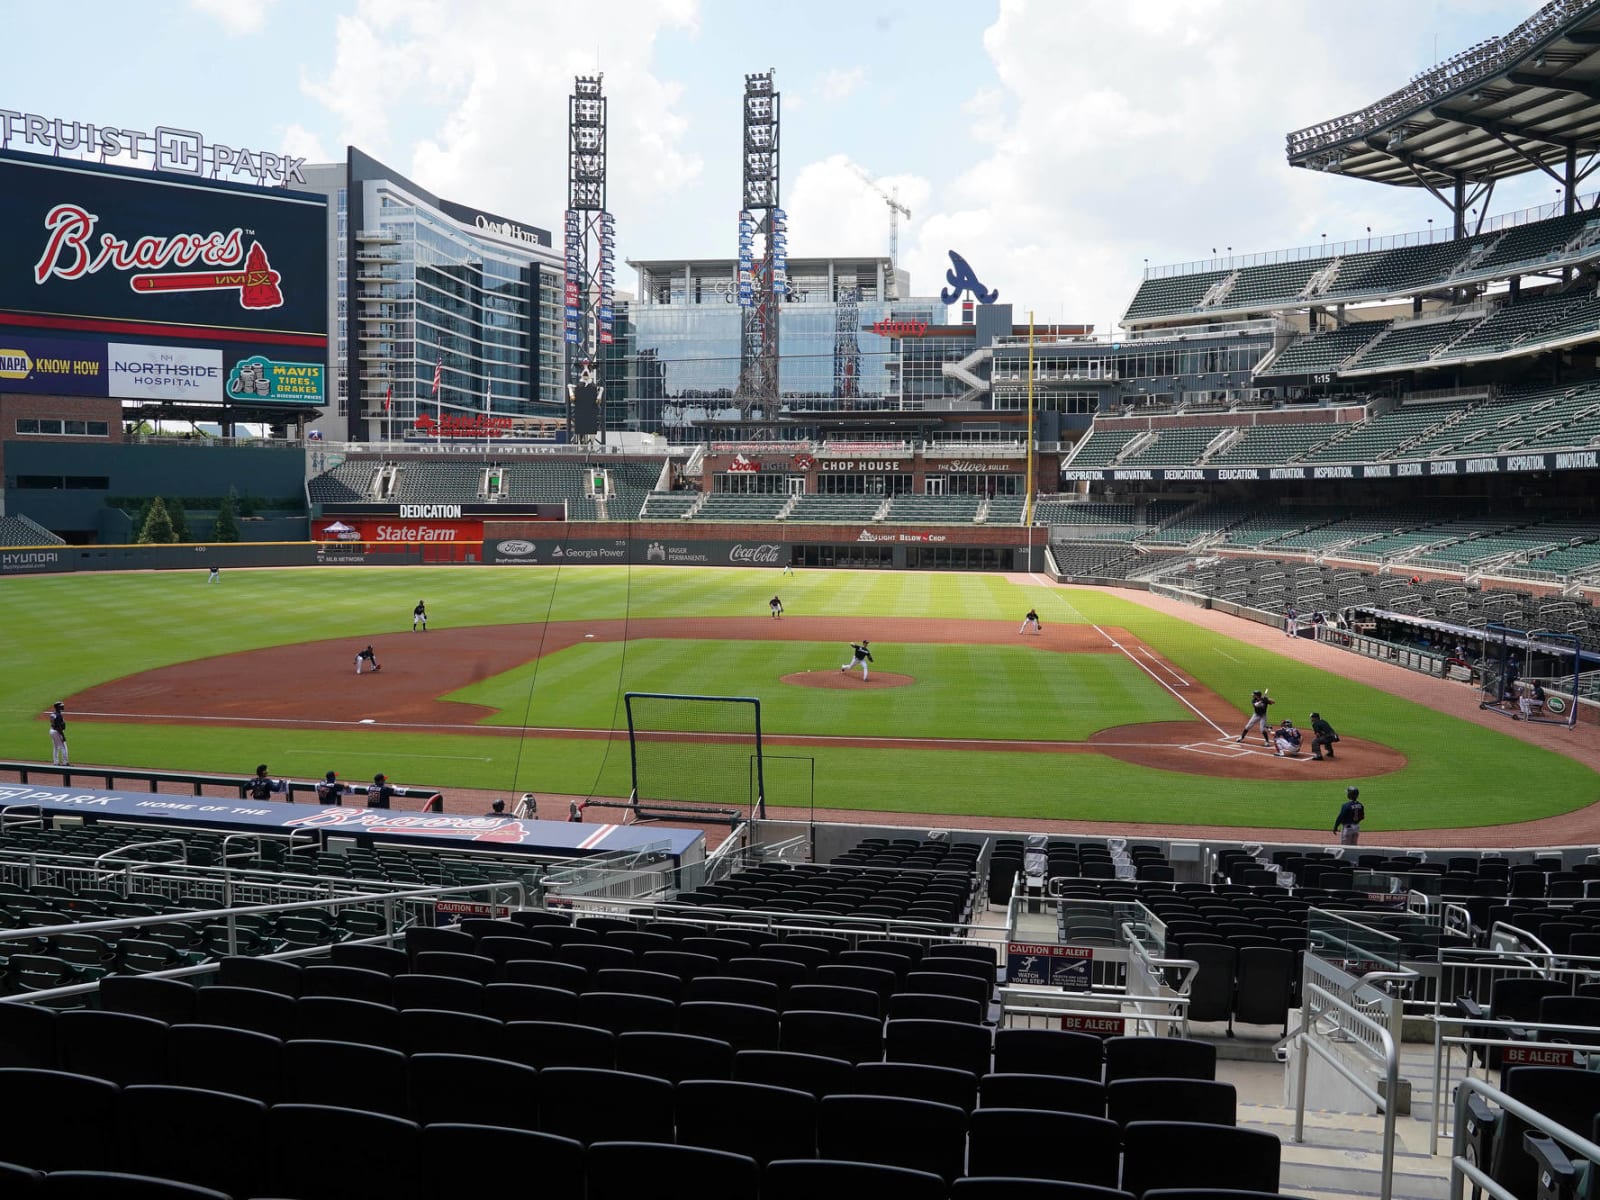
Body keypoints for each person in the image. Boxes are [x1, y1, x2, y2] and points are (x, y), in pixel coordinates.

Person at [47, 701, 68, 766]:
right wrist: (62, 735)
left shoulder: (53, 714)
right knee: (63, 747)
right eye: (61, 706)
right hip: (57, 732)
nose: (63, 706)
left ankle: (56, 762)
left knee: (56, 747)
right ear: (58, 707)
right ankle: (65, 763)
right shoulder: (59, 715)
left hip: (52, 731)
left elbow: (54, 724)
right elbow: (59, 726)